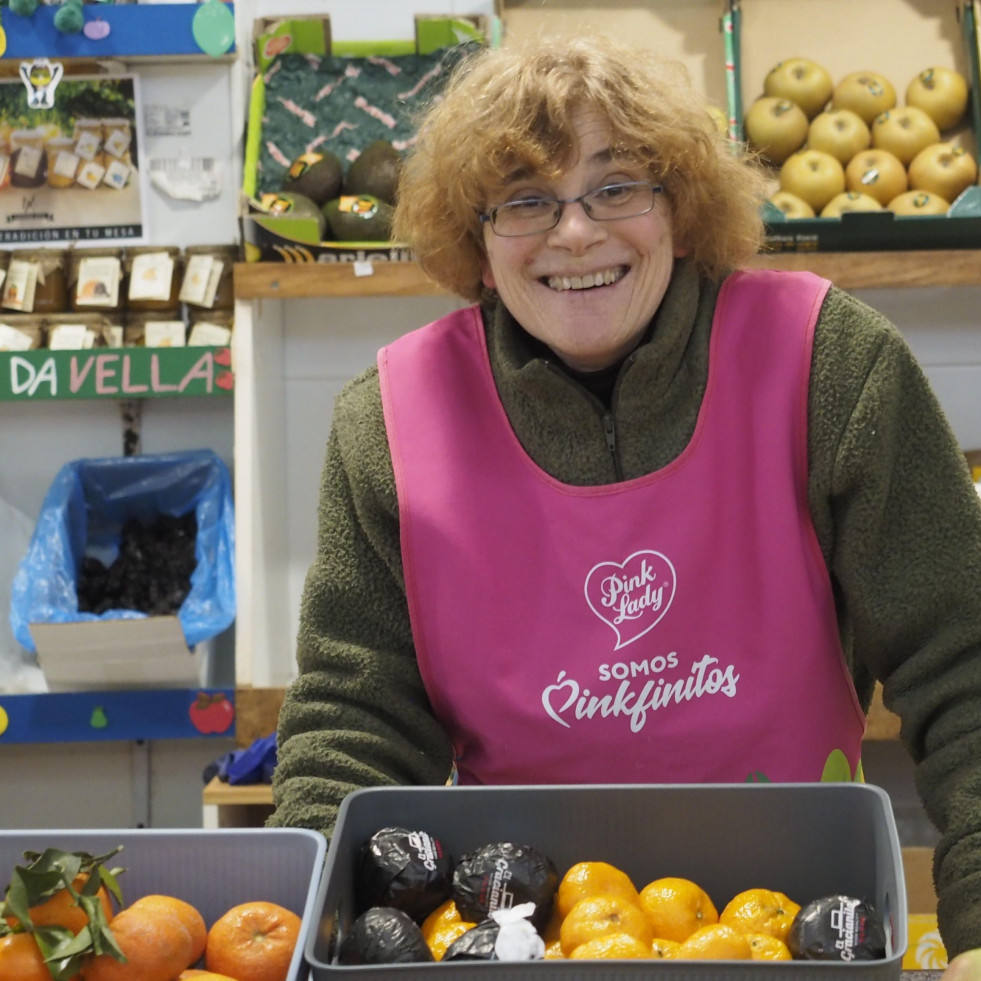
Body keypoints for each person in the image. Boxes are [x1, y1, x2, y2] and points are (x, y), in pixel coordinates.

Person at [267, 33, 981, 969]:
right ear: (476, 244)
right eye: (524, 200)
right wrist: (306, 941)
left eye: (616, 187)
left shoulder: (830, 364)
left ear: (678, 210)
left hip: (799, 932)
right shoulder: (390, 422)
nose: (574, 232)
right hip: (529, 941)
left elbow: (962, 668)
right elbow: (351, 725)